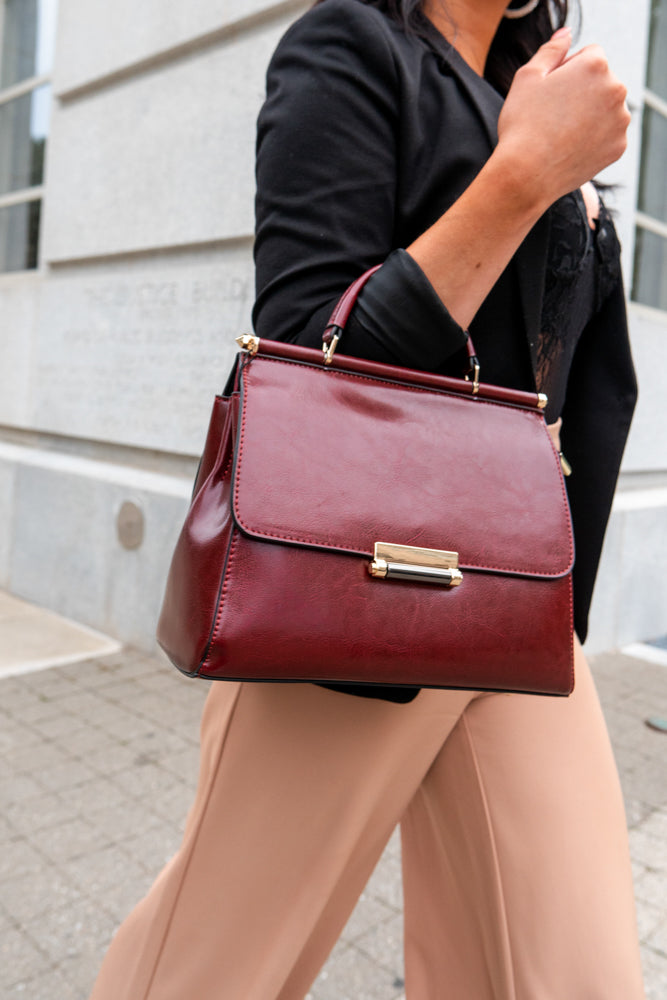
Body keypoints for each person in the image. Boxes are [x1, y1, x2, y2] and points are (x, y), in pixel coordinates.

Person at [89, 1, 646, 997]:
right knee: (216, 968)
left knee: (578, 973)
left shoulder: (539, 86)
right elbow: (310, 358)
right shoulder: (350, 46)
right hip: (356, 598)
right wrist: (522, 176)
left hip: (519, 604)